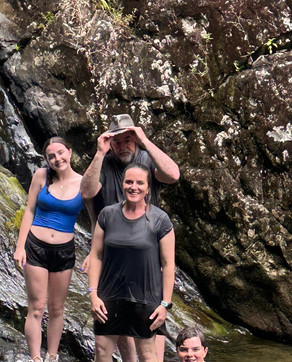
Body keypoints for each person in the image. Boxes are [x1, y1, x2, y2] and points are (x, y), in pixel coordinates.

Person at [81, 114, 180, 362]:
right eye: (117, 141)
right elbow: (86, 191)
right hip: (112, 246)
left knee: (149, 337)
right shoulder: (105, 163)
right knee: (114, 322)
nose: (122, 146)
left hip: (147, 248)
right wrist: (100, 152)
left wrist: (145, 140)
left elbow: (173, 174)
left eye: (128, 140)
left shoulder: (146, 159)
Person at [14, 137, 84, 362]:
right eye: (51, 156)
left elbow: (98, 219)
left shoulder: (84, 183)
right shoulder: (41, 176)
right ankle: (35, 358)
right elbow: (29, 210)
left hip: (64, 251)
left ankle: (52, 356)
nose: (57, 159)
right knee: (36, 307)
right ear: (46, 159)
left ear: (70, 152)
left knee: (56, 308)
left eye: (61, 153)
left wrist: (94, 253)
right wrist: (20, 246)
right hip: (36, 247)